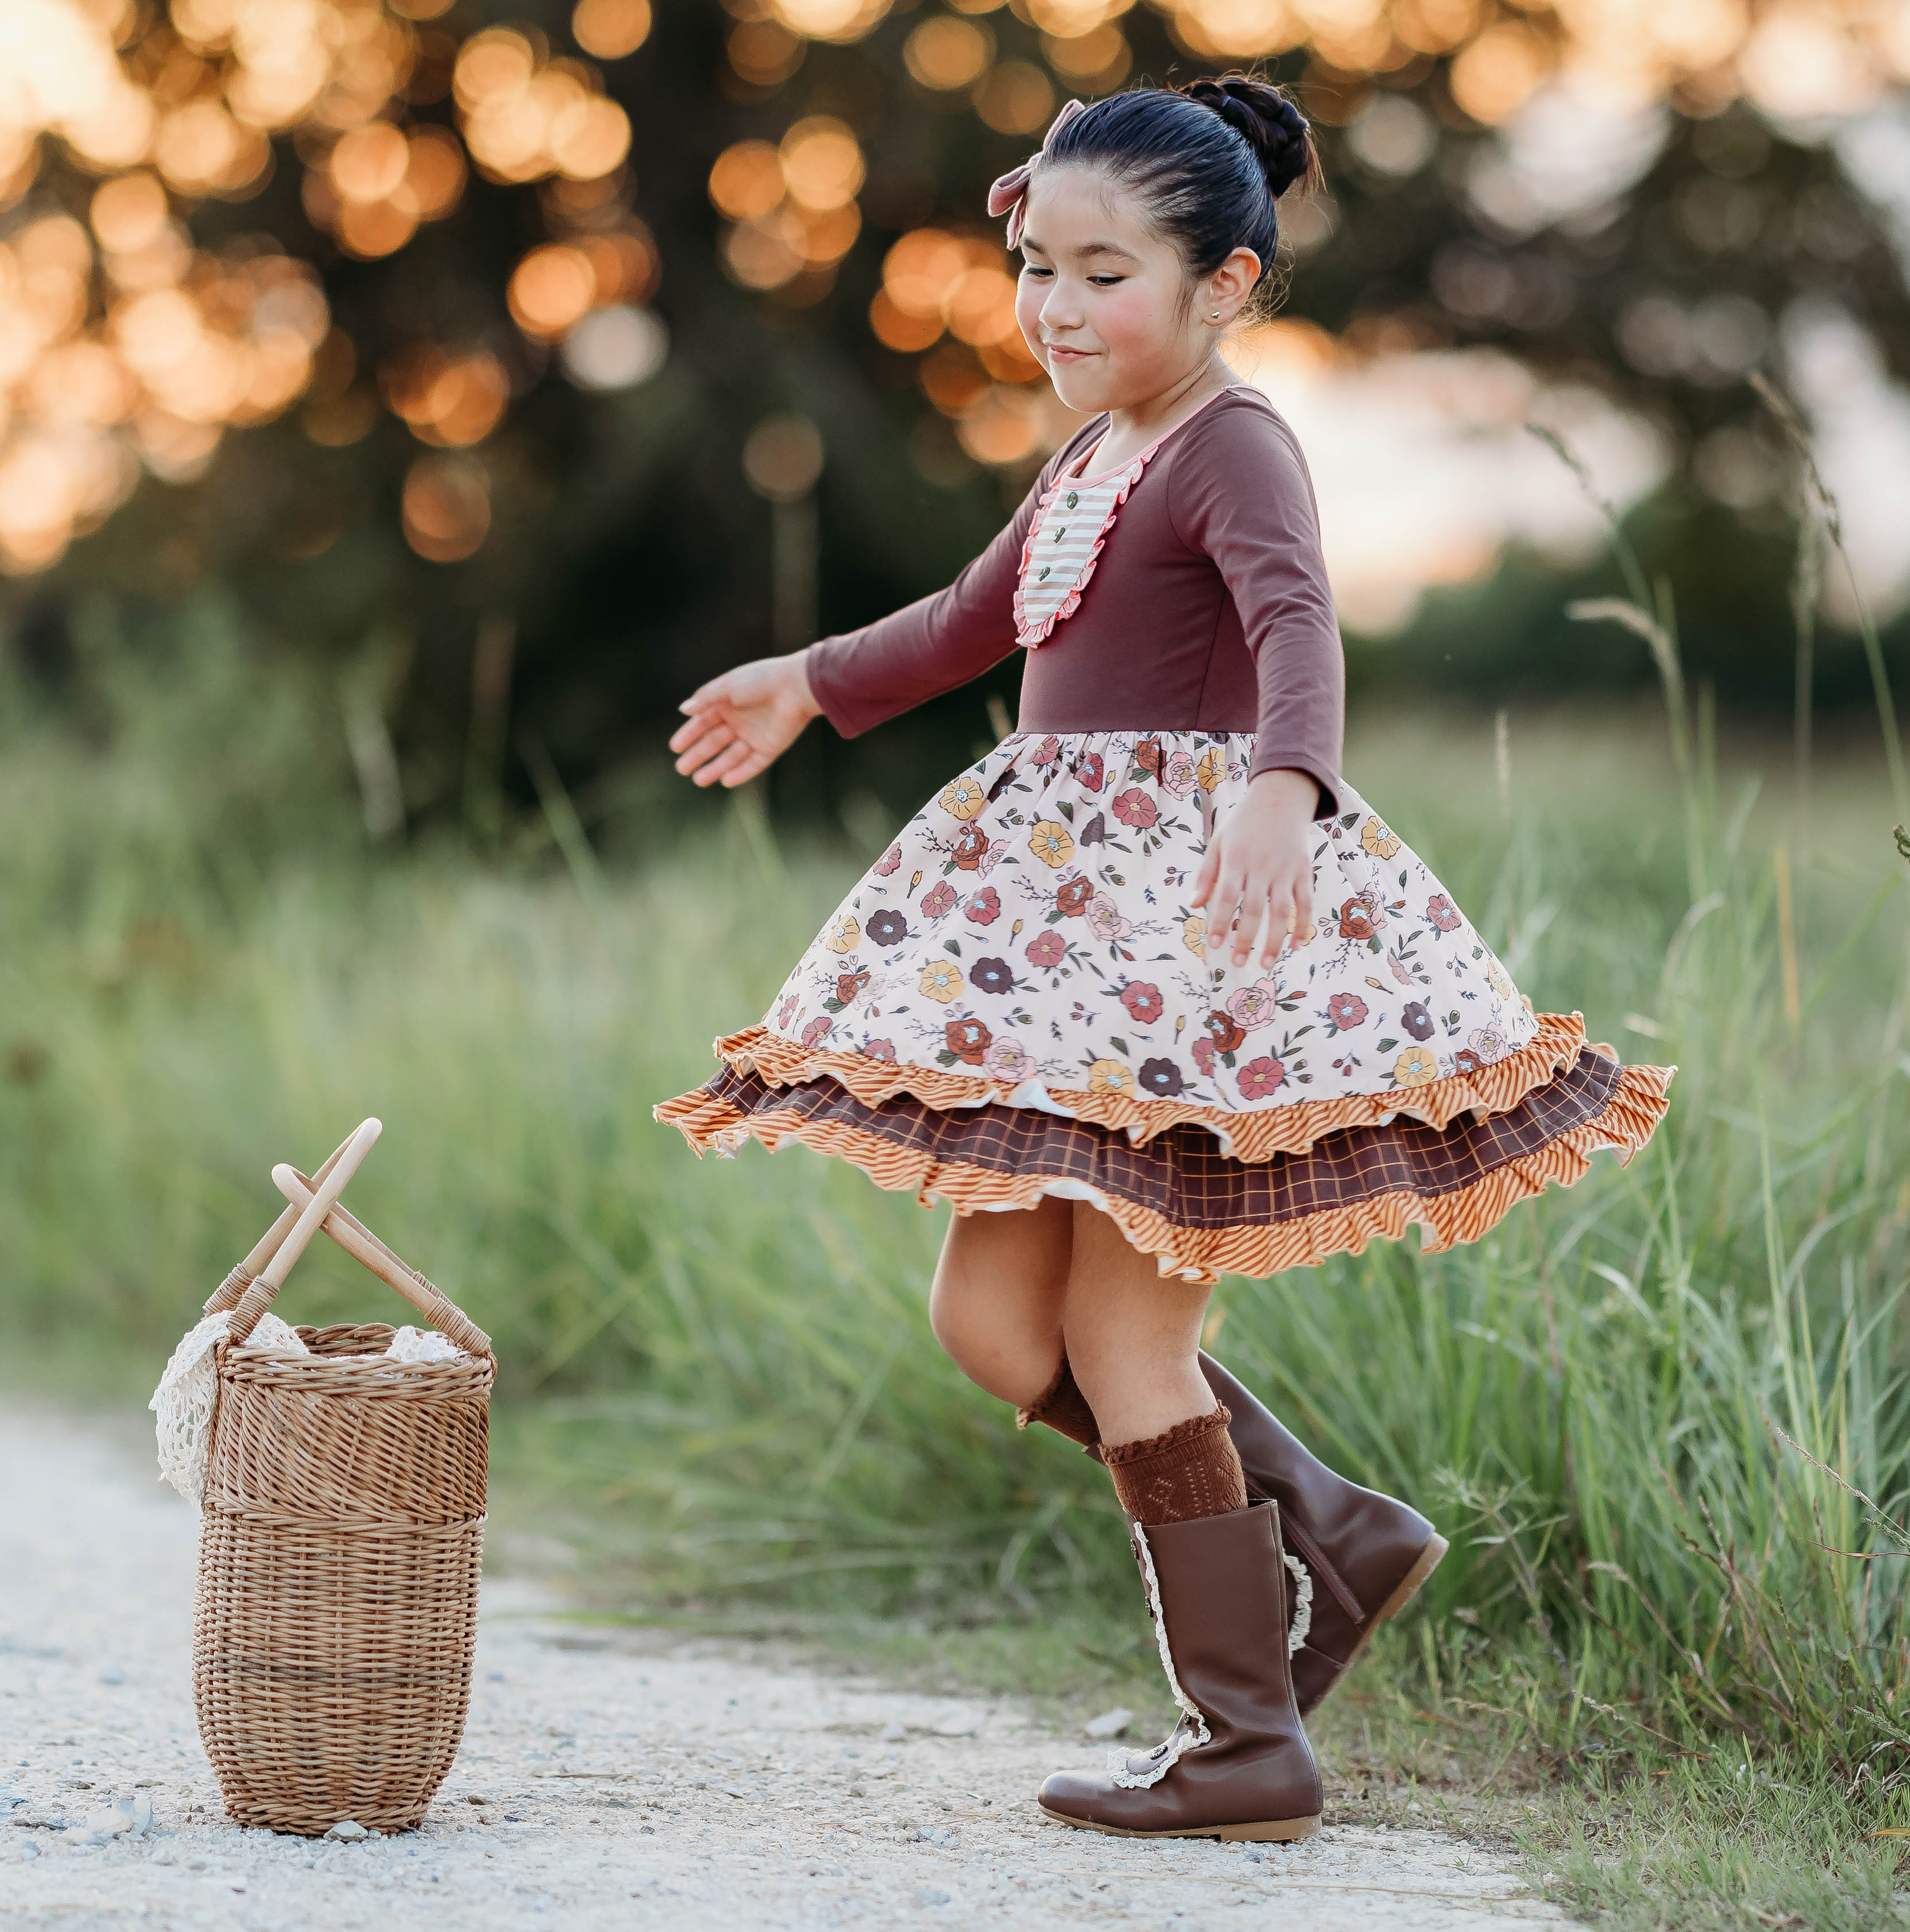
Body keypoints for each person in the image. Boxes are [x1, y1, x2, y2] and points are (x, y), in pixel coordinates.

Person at [658, 76, 1672, 1844]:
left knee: (1131, 1335)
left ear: (1226, 286)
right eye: (1038, 265)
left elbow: (1296, 619)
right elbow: (974, 619)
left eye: (1102, 271)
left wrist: (1286, 788)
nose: (1054, 305)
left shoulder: (1233, 441)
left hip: (1177, 943)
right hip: (1054, 953)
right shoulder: (1092, 452)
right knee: (992, 1321)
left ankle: (1246, 1735)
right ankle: (1327, 1530)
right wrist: (807, 679)